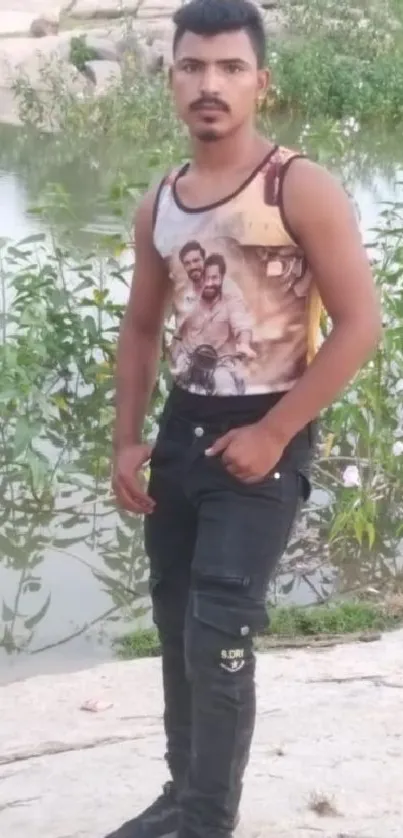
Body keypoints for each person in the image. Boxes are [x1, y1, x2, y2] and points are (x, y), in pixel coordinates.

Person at [110, 1, 381, 837]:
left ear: (260, 82)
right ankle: (180, 794)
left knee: (220, 624)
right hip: (185, 430)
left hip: (269, 428)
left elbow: (360, 324)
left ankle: (206, 820)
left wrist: (274, 433)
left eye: (229, 68)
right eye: (192, 66)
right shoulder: (161, 199)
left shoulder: (296, 185)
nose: (209, 84)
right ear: (171, 81)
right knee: (175, 616)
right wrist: (126, 439)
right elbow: (144, 326)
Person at [175, 252, 256, 394]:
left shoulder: (231, 298)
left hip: (220, 364)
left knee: (225, 390)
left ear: (222, 278)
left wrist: (244, 344)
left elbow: (241, 323)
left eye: (214, 278)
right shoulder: (187, 297)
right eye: (205, 278)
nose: (209, 283)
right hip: (189, 362)